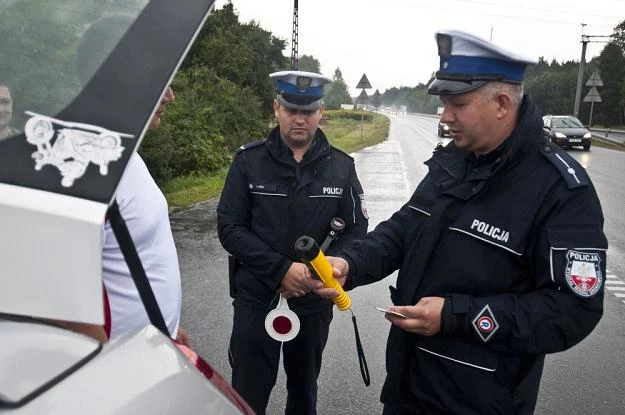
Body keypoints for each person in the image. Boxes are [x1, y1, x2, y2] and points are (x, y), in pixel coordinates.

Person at [317, 29, 608, 415]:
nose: (445, 116)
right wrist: (350, 263)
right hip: (408, 385)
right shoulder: (453, 162)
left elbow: (572, 311)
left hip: (480, 400)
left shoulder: (560, 191)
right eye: (443, 103)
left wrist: (456, 317)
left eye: (457, 104)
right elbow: (406, 229)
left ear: (502, 103)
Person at [217, 70, 369, 414]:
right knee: (246, 397)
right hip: (257, 298)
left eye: (308, 111)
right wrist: (281, 269)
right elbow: (229, 227)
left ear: (321, 112)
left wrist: (334, 267)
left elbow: (357, 232)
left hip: (313, 303)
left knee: (303, 395)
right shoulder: (248, 161)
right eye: (291, 109)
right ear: (276, 108)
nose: (299, 118)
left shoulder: (342, 168)